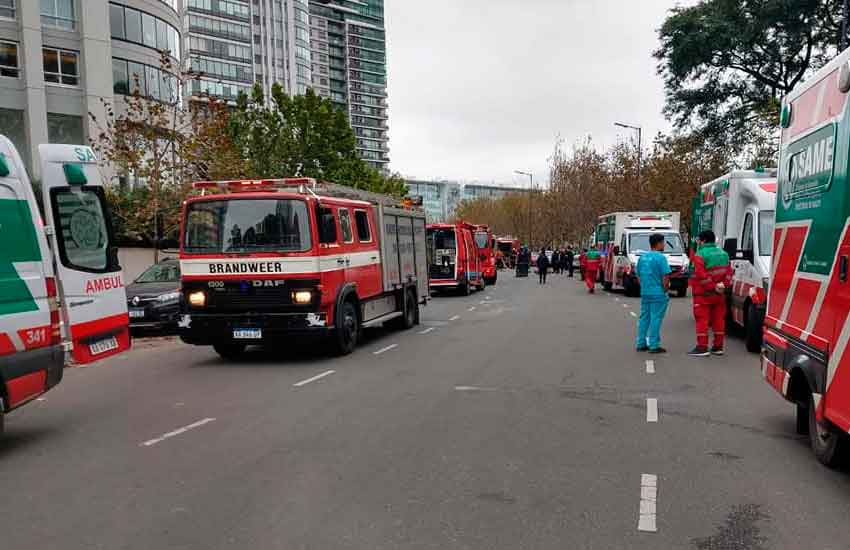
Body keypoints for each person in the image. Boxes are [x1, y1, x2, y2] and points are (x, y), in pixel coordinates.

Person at [688, 230, 733, 357]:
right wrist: (723, 285)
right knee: (718, 319)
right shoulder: (724, 254)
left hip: (703, 294)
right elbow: (729, 273)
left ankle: (702, 347)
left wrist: (713, 287)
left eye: (699, 241)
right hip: (719, 294)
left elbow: (701, 276)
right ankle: (718, 347)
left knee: (702, 319)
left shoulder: (700, 255)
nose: (698, 243)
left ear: (703, 241)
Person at [635, 233, 671, 353]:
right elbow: (665, 276)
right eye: (663, 242)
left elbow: (638, 275)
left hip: (645, 292)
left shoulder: (642, 257)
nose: (664, 245)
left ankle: (641, 343)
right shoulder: (661, 258)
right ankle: (654, 345)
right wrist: (665, 290)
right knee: (656, 318)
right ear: (659, 243)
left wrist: (644, 287)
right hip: (658, 293)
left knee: (644, 318)